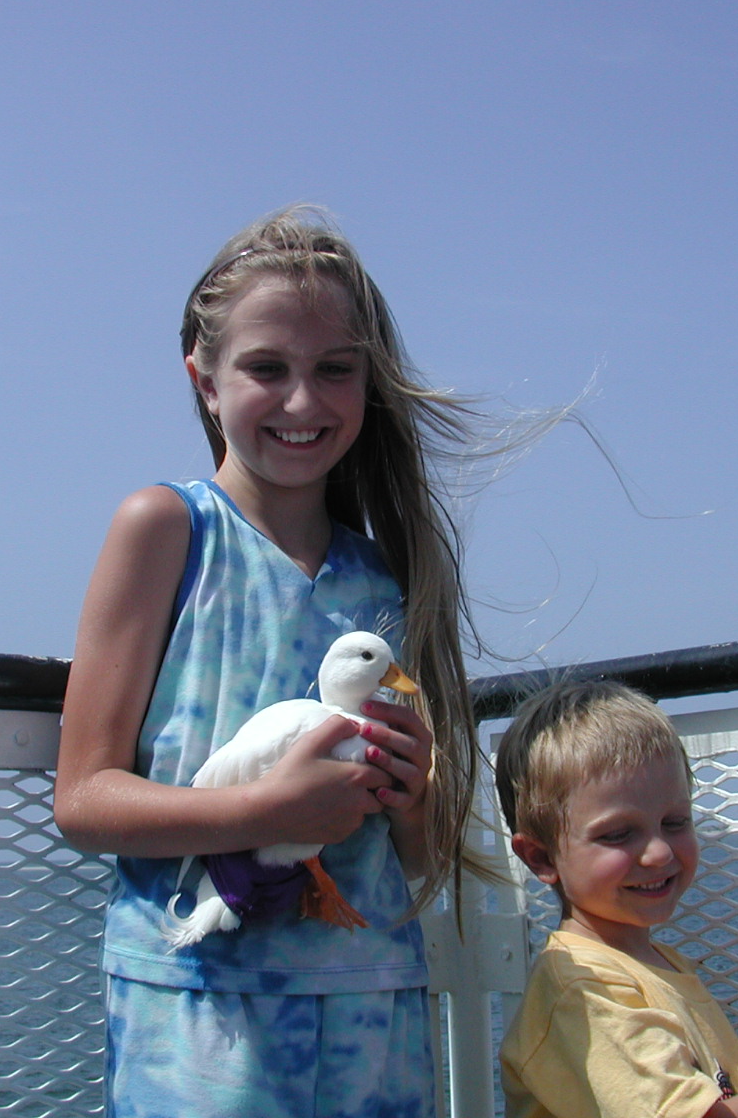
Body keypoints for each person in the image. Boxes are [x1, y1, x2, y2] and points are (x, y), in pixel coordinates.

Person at [53, 206, 483, 1118]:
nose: (303, 401)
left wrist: (414, 799)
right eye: (266, 369)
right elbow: (84, 798)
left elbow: (421, 849)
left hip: (375, 1001)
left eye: (336, 370)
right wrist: (268, 810)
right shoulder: (164, 530)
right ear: (203, 379)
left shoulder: (386, 574)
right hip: (201, 1011)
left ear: (371, 384)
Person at [494, 679, 738, 1118]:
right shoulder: (584, 992)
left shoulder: (651, 964)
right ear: (541, 857)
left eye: (675, 822)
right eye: (618, 834)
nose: (659, 852)